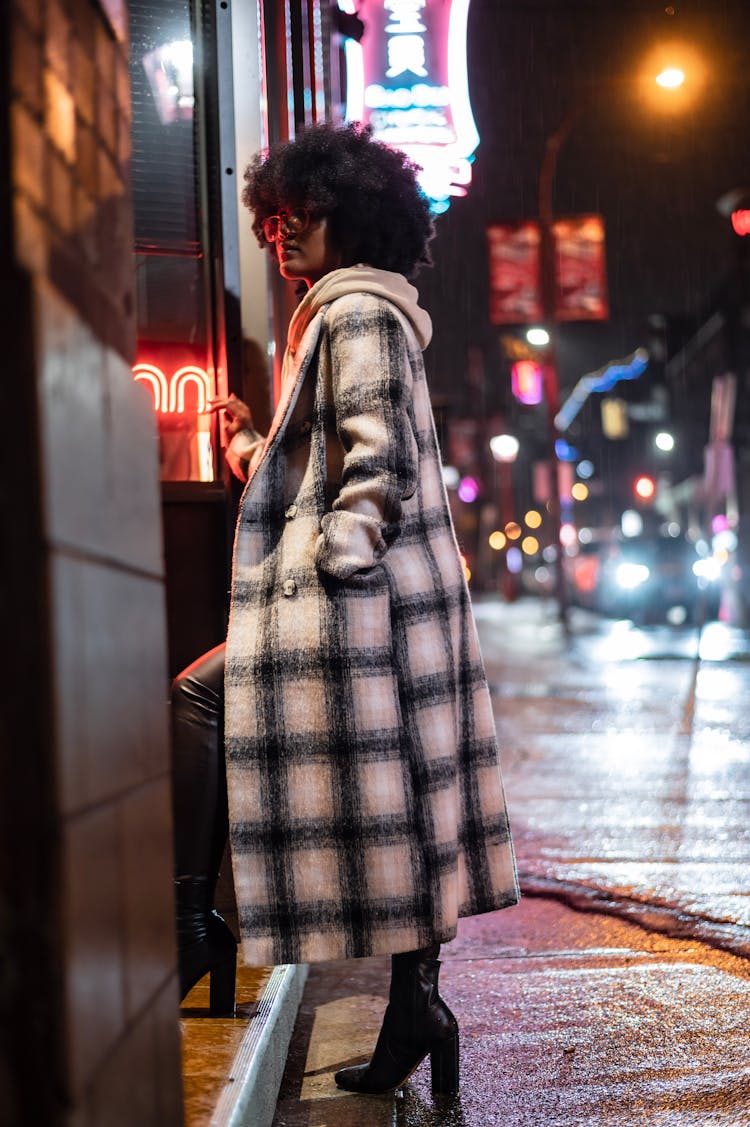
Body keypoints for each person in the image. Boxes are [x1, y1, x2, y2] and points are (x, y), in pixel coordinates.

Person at [170, 121, 519, 1096]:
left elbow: (373, 463)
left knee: (199, 698)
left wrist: (339, 564)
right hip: (385, 609)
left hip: (354, 609)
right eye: (276, 217)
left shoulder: (355, 313)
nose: (282, 233)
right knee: (399, 799)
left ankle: (194, 916)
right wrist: (250, 446)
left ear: (352, 218)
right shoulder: (353, 314)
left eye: (305, 216)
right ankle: (418, 1001)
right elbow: (324, 469)